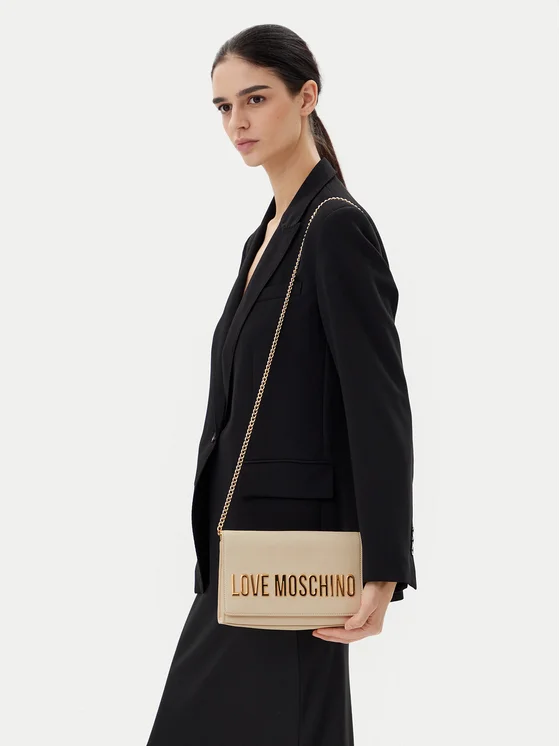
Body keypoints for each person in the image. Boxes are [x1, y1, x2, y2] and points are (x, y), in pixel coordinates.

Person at [146, 23, 417, 746]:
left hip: (290, 554)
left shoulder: (334, 227)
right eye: (223, 106)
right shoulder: (265, 235)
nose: (237, 121)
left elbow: (378, 404)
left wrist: (385, 565)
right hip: (244, 553)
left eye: (256, 98)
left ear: (306, 97)